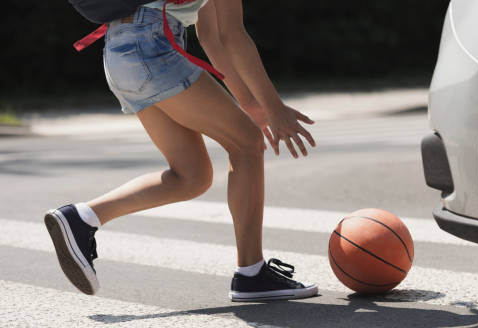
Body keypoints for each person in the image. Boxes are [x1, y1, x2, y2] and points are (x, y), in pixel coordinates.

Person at [43, 0, 318, 301]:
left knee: (192, 176)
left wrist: (252, 104)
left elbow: (211, 34)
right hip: (151, 47)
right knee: (247, 144)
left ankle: (82, 217)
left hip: (123, 50)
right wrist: (273, 107)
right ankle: (252, 273)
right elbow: (231, 34)